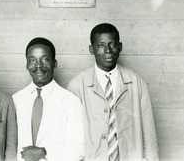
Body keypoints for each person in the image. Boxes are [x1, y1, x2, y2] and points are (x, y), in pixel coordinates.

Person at [67, 23, 159, 161]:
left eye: (112, 44)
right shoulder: (76, 86)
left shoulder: (137, 83)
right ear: (91, 49)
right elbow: (70, 137)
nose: (108, 50)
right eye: (101, 45)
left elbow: (149, 135)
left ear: (120, 47)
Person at [12, 37, 84, 161]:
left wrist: (44, 153)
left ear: (54, 63)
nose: (38, 65)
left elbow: (80, 148)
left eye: (45, 59)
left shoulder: (71, 101)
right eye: (32, 60)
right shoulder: (15, 100)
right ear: (27, 64)